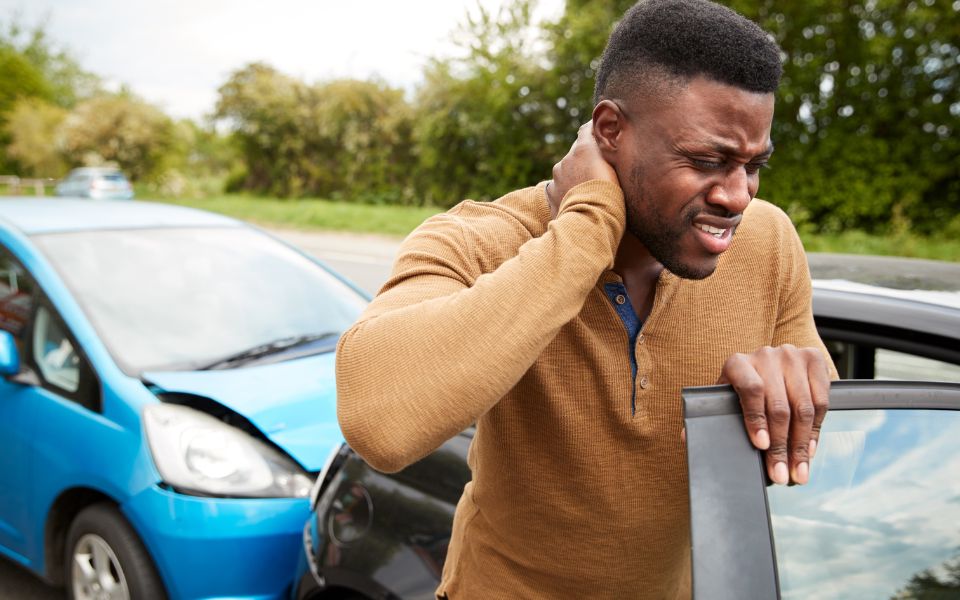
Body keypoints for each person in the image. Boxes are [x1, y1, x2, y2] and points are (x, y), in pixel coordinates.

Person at [335, 0, 836, 597]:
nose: (736, 196)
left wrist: (793, 394)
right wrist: (588, 224)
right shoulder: (475, 242)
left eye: (753, 166)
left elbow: (826, 445)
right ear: (609, 132)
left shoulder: (769, 241)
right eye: (707, 160)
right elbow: (379, 425)